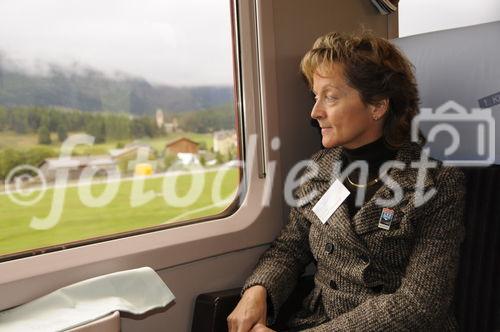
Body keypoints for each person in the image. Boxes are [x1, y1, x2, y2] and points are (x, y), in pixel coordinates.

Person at [227, 31, 465, 331]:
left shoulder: (437, 183)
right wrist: (257, 291)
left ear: (377, 105)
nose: (315, 113)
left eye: (331, 97)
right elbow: (290, 248)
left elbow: (420, 303)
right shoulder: (318, 169)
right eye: (316, 97)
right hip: (319, 321)